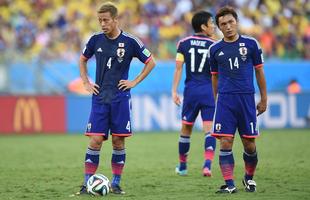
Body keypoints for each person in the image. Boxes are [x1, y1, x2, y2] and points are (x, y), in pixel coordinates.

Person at [76, 2, 156, 195]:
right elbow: (82, 59)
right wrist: (86, 82)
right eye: (100, 20)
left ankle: (116, 183)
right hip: (100, 98)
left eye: (106, 20)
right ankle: (87, 183)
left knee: (118, 141)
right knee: (95, 140)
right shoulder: (95, 40)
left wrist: (134, 82)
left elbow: (151, 62)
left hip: (120, 98)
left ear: (115, 19)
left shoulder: (130, 41)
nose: (102, 24)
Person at [209, 6, 267, 193]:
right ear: (219, 27)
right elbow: (215, 76)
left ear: (237, 22)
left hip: (246, 100)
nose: (227, 27)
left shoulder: (251, 45)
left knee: (249, 144)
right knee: (225, 141)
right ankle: (230, 184)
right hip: (225, 101)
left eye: (230, 22)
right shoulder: (214, 49)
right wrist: (216, 99)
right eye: (223, 24)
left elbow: (259, 71)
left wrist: (264, 98)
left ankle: (249, 178)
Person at [172, 11, 217, 177]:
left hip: (191, 91)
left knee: (186, 129)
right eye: (211, 23)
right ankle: (207, 166)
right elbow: (218, 73)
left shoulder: (183, 43)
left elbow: (178, 67)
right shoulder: (215, 45)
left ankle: (183, 167)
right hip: (209, 91)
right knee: (209, 129)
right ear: (203, 26)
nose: (213, 26)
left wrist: (174, 91)